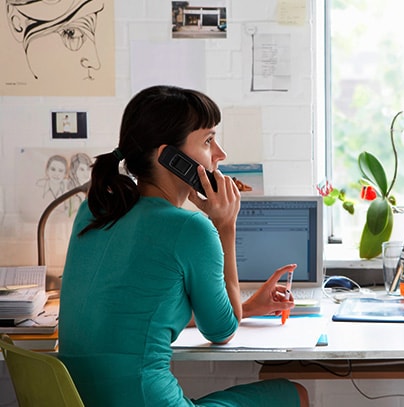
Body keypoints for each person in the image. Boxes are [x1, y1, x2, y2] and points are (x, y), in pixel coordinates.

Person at [58, 85, 309, 406]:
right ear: (171, 158)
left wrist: (247, 308)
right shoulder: (191, 228)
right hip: (146, 400)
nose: (220, 154)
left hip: (81, 400)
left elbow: (139, 314)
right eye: (208, 140)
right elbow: (222, 331)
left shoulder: (93, 211)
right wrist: (225, 226)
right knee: (294, 394)